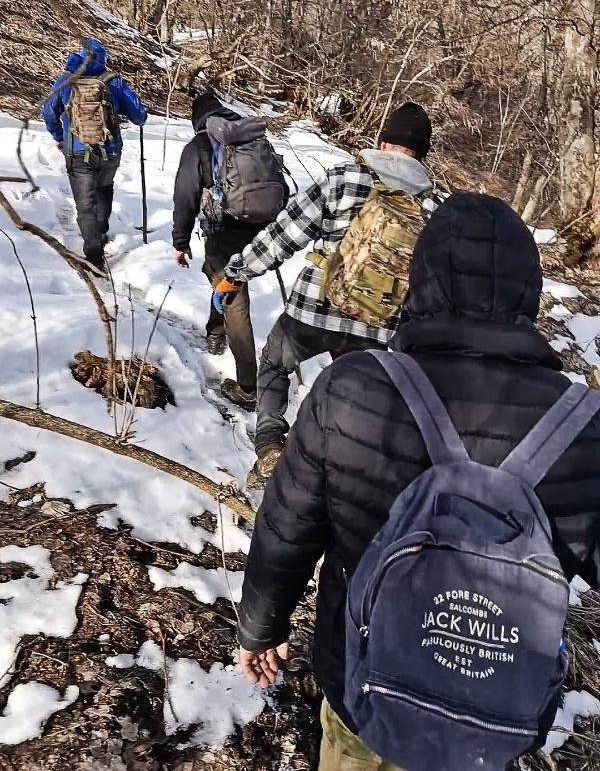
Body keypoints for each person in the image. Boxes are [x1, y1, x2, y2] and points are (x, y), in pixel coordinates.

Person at [236, 192, 600, 771]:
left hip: (363, 686)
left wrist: (261, 628)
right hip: (491, 714)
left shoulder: (353, 386)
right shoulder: (585, 425)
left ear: (420, 281)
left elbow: (287, 529)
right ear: (528, 292)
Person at [220, 102, 436, 481]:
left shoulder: (344, 179)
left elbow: (283, 235)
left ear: (383, 142)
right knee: (352, 400)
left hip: (312, 310)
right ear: (421, 154)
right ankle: (332, 470)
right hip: (376, 327)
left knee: (274, 363)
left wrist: (237, 272)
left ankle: (270, 445)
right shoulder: (430, 207)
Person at [172, 90, 263, 409]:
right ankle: (214, 329)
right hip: (261, 230)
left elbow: (185, 197)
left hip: (224, 231)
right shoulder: (250, 137)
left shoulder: (199, 146)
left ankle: (249, 388)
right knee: (218, 277)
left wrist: (180, 242)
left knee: (235, 300)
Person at [42, 39, 147, 270]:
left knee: (85, 204)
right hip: (110, 151)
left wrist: (60, 136)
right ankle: (100, 231)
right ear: (103, 60)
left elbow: (48, 112)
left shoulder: (66, 81)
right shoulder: (114, 82)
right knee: (104, 188)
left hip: (78, 152)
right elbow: (140, 117)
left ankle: (93, 253)